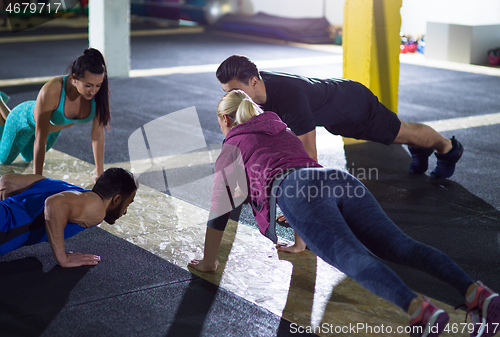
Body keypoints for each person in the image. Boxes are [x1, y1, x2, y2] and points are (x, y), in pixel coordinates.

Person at [188, 90, 499, 337]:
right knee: (401, 245)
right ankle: (478, 294)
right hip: (337, 179)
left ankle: (421, 312)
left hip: (299, 191)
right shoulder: (278, 127)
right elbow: (297, 169)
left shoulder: (231, 149)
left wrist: (209, 261)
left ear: (225, 120)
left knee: (353, 258)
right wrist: (300, 241)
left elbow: (219, 213)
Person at [215, 54, 463, 180]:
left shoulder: (290, 99)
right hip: (335, 113)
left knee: (400, 132)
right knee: (399, 134)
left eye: (235, 90)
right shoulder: (255, 91)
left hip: (354, 106)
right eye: (227, 92)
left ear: (255, 81)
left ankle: (447, 147)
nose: (231, 96)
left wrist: (299, 205)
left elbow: (309, 157)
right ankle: (420, 148)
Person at [0, 48, 111, 181]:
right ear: (74, 78)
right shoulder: (52, 90)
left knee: (29, 157)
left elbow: (97, 136)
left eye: (98, 85)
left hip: (51, 129)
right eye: (88, 85)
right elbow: (40, 138)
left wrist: (99, 174)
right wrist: (38, 179)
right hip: (23, 121)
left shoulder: (98, 95)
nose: (93, 91)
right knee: (4, 159)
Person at [0, 167, 138, 268]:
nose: (125, 212)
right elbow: (54, 204)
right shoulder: (98, 207)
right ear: (117, 199)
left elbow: (7, 182)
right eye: (127, 204)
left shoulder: (62, 186)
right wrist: (62, 258)